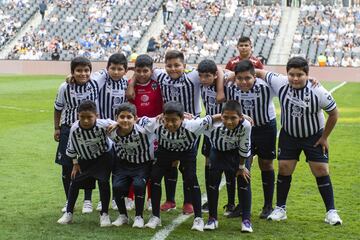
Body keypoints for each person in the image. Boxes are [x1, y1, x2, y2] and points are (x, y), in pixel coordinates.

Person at [127, 50, 225, 215]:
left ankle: (188, 202)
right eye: (169, 65)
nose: (173, 69)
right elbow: (142, 71)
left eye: (177, 65)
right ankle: (170, 200)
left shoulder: (193, 76)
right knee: (170, 164)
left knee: (188, 165)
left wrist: (220, 90)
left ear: (184, 66)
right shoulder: (160, 75)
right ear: (164, 66)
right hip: (168, 125)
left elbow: (219, 69)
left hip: (190, 126)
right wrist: (131, 84)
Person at [256, 56, 342, 225]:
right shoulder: (279, 82)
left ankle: (331, 212)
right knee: (284, 169)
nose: (295, 78)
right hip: (289, 136)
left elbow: (334, 113)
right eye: (291, 74)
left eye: (300, 75)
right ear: (287, 74)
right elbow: (258, 72)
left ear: (307, 75)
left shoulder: (318, 91)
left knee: (321, 171)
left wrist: (324, 137)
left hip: (314, 136)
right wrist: (230, 75)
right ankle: (280, 208)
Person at [143, 101, 221, 231]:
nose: (170, 124)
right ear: (162, 117)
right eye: (166, 120)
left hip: (186, 152)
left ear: (182, 118)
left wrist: (241, 116)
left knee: (191, 178)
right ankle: (155, 216)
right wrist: (117, 123)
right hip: (165, 151)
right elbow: (136, 119)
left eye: (174, 120)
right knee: (155, 177)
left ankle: (198, 218)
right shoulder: (155, 123)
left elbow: (213, 118)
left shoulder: (193, 125)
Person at [230, 60, 277, 219]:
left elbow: (286, 81)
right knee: (242, 165)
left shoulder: (267, 86)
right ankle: (242, 206)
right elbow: (215, 74)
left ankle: (268, 205)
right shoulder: (231, 87)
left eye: (248, 78)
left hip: (265, 128)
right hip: (244, 130)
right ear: (235, 77)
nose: (244, 82)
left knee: (266, 164)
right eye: (240, 78)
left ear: (255, 76)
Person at [57, 100, 115, 226]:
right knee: (75, 181)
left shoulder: (102, 124)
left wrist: (115, 126)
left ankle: (104, 214)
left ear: (96, 116)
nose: (86, 121)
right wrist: (75, 164)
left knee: (103, 182)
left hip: (104, 156)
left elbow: (117, 123)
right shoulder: (75, 128)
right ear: (78, 116)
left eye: (90, 117)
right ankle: (69, 213)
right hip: (85, 158)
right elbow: (72, 147)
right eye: (82, 117)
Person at [54, 57, 99, 214]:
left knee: (88, 164)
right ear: (72, 71)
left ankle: (87, 200)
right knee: (67, 166)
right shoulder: (64, 87)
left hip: (89, 130)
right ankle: (69, 200)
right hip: (68, 129)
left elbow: (112, 72)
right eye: (79, 70)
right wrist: (57, 128)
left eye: (86, 70)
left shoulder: (95, 83)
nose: (83, 73)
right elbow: (58, 108)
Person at [203, 100, 253, 232]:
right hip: (218, 152)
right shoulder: (212, 124)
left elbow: (244, 147)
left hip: (238, 154)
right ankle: (212, 218)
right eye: (225, 117)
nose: (229, 121)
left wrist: (241, 167)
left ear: (241, 117)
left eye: (233, 118)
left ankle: (246, 220)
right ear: (221, 116)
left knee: (244, 181)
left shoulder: (246, 125)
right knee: (213, 182)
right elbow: (193, 124)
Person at [197, 59, 235, 215]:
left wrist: (220, 89)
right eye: (202, 76)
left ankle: (231, 202)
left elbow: (220, 69)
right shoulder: (201, 84)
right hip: (210, 129)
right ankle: (210, 199)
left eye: (208, 76)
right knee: (209, 163)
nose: (204, 79)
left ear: (214, 75)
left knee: (230, 165)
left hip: (227, 129)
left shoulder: (226, 83)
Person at [91, 53, 128, 211]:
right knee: (103, 167)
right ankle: (102, 199)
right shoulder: (101, 80)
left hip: (118, 130)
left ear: (125, 71)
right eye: (113, 68)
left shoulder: (126, 84)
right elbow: (88, 78)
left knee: (117, 166)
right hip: (101, 129)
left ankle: (115, 198)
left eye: (120, 69)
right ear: (107, 69)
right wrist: (70, 76)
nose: (116, 71)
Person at [109, 103, 156, 228]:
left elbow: (159, 119)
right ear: (116, 118)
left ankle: (139, 216)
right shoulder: (111, 130)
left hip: (143, 164)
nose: (125, 120)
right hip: (123, 164)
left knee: (138, 185)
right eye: (122, 117)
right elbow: (96, 121)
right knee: (117, 187)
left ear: (135, 118)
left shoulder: (144, 128)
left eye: (129, 117)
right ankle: (123, 216)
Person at [127, 54, 163, 211]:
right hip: (135, 130)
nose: (142, 74)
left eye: (145, 71)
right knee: (132, 163)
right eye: (138, 71)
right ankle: (130, 197)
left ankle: (150, 198)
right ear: (135, 71)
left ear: (151, 70)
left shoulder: (159, 83)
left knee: (151, 165)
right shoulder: (130, 85)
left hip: (154, 131)